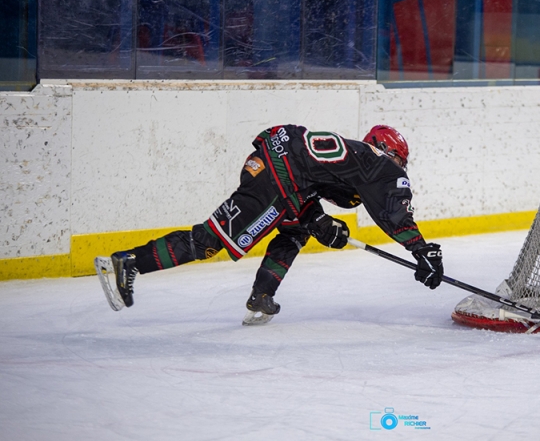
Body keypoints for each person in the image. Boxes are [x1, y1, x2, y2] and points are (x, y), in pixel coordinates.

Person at [95, 124, 444, 325]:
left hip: (277, 163)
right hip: (281, 174)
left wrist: (320, 222)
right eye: (402, 159)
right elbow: (394, 212)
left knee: (295, 230)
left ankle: (262, 296)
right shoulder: (383, 166)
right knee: (208, 241)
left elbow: (304, 200)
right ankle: (130, 262)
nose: (402, 166)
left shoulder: (356, 160)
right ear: (388, 151)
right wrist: (422, 250)